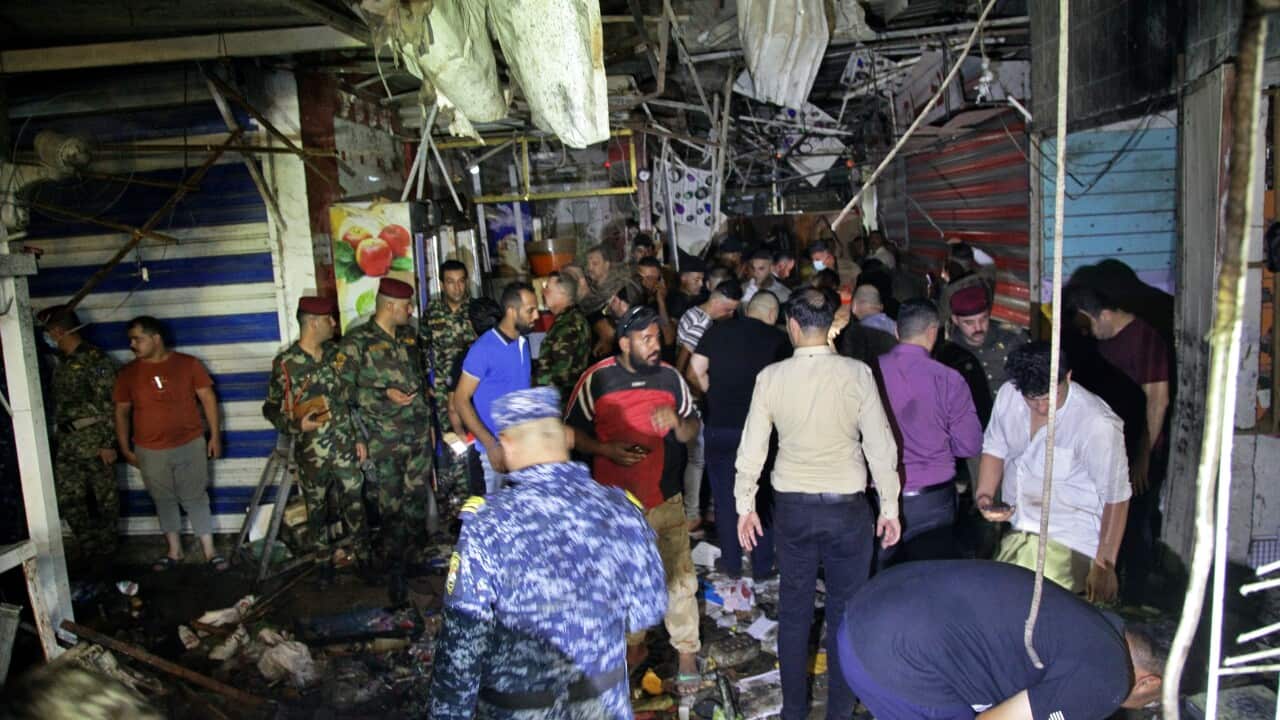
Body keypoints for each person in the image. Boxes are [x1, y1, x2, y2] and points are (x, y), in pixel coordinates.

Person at [428, 387, 666, 718]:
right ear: (568, 438)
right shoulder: (622, 509)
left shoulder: (488, 523)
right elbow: (648, 609)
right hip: (602, 703)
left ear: (508, 444)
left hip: (517, 709)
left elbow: (463, 645)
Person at [735, 288, 900, 720]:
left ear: (791, 325)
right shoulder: (858, 374)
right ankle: (839, 712)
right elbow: (881, 447)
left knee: (794, 611)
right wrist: (890, 508)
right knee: (846, 615)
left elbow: (751, 449)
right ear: (832, 324)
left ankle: (793, 712)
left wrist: (745, 506)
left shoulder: (771, 378)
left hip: (793, 510)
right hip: (848, 510)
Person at [566, 306, 703, 695]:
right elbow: (570, 435)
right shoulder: (597, 380)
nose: (655, 345)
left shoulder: (671, 378)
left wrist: (679, 423)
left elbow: (692, 428)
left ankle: (687, 652)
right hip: (614, 506)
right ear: (623, 343)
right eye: (646, 339)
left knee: (678, 579)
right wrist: (605, 449)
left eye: (657, 337)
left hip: (664, 497)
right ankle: (634, 646)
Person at [836, 560, 1165, 720]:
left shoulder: (1103, 623)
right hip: (890, 653)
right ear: (1149, 682)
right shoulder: (1108, 680)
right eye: (1154, 702)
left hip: (868, 606)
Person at [977, 341, 1130, 600]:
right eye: (1033, 400)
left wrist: (1105, 565)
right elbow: (994, 447)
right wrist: (985, 497)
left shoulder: (1096, 424)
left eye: (1050, 397)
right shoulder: (1008, 395)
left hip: (1069, 542)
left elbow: (1117, 496)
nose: (1042, 408)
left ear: (1067, 376)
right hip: (1017, 532)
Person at [1070, 285, 1171, 605]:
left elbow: (1158, 400)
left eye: (1087, 325)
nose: (1087, 333)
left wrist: (1143, 455)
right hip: (1106, 448)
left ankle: (1134, 599)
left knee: (1135, 525)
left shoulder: (1145, 340)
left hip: (1136, 451)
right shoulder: (1100, 344)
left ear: (1101, 315)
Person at [335, 277, 433, 602]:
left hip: (417, 433)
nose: (411, 310)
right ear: (390, 306)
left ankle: (414, 559)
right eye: (407, 305)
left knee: (417, 496)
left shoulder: (409, 336)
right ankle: (393, 566)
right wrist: (382, 394)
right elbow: (342, 394)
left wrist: (428, 420)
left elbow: (419, 378)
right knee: (389, 501)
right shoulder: (355, 343)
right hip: (383, 439)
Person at [263, 296, 367, 582]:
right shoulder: (286, 364)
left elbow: (349, 400)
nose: (334, 323)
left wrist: (358, 437)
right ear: (312, 323)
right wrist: (295, 424)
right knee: (317, 508)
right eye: (328, 319)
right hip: (312, 453)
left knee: (355, 502)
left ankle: (362, 557)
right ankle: (322, 564)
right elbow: (270, 407)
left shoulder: (337, 355)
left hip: (345, 446)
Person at [690, 291, 790, 578]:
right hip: (759, 432)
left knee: (724, 498)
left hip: (719, 426)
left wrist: (714, 394)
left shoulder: (718, 331)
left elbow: (695, 370)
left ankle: (732, 563)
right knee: (760, 495)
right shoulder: (778, 340)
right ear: (772, 314)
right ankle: (761, 565)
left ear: (747, 309)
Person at [113, 316, 224, 572]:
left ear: (155, 338)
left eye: (137, 339)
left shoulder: (188, 364)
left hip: (190, 442)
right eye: (131, 339)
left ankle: (210, 552)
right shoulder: (128, 374)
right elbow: (121, 412)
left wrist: (215, 436)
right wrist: (125, 448)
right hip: (149, 449)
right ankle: (174, 552)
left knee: (196, 496)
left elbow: (208, 398)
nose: (132, 344)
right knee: (163, 499)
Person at [877, 299, 982, 565]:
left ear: (897, 333)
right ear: (933, 332)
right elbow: (969, 445)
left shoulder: (866, 372)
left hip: (877, 498)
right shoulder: (949, 379)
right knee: (928, 582)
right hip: (933, 502)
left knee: (880, 583)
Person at [38, 306, 119, 568]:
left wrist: (108, 443)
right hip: (68, 444)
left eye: (48, 332)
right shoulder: (60, 362)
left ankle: (107, 554)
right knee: (69, 499)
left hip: (94, 442)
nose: (46, 337)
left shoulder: (96, 360)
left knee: (103, 498)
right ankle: (88, 548)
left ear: (59, 331)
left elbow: (111, 404)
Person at [454, 282, 538, 494]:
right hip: (493, 453)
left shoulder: (523, 344)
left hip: (522, 450)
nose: (536, 315)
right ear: (511, 311)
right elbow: (461, 400)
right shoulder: (483, 349)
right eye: (531, 310)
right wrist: (490, 445)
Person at [674, 279, 742, 528]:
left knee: (698, 457)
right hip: (694, 398)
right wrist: (696, 395)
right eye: (728, 309)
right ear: (716, 301)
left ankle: (698, 512)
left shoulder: (692, 313)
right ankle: (694, 513)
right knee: (699, 458)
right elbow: (684, 364)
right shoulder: (702, 324)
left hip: (690, 395)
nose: (730, 314)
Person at [424, 260, 477, 526]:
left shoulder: (476, 310)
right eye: (451, 281)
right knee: (453, 446)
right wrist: (428, 384)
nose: (457, 287)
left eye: (461, 281)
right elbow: (424, 349)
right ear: (441, 283)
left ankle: (476, 501)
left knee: (475, 444)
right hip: (445, 394)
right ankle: (457, 506)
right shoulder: (432, 312)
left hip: (473, 392)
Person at [535, 272, 591, 402]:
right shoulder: (570, 319)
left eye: (547, 288)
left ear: (562, 294)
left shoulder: (568, 325)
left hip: (561, 403)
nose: (543, 292)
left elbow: (561, 373)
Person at [666, 254, 708, 324]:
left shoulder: (705, 297)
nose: (701, 284)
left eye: (702, 279)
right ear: (683, 278)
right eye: (696, 280)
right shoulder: (672, 302)